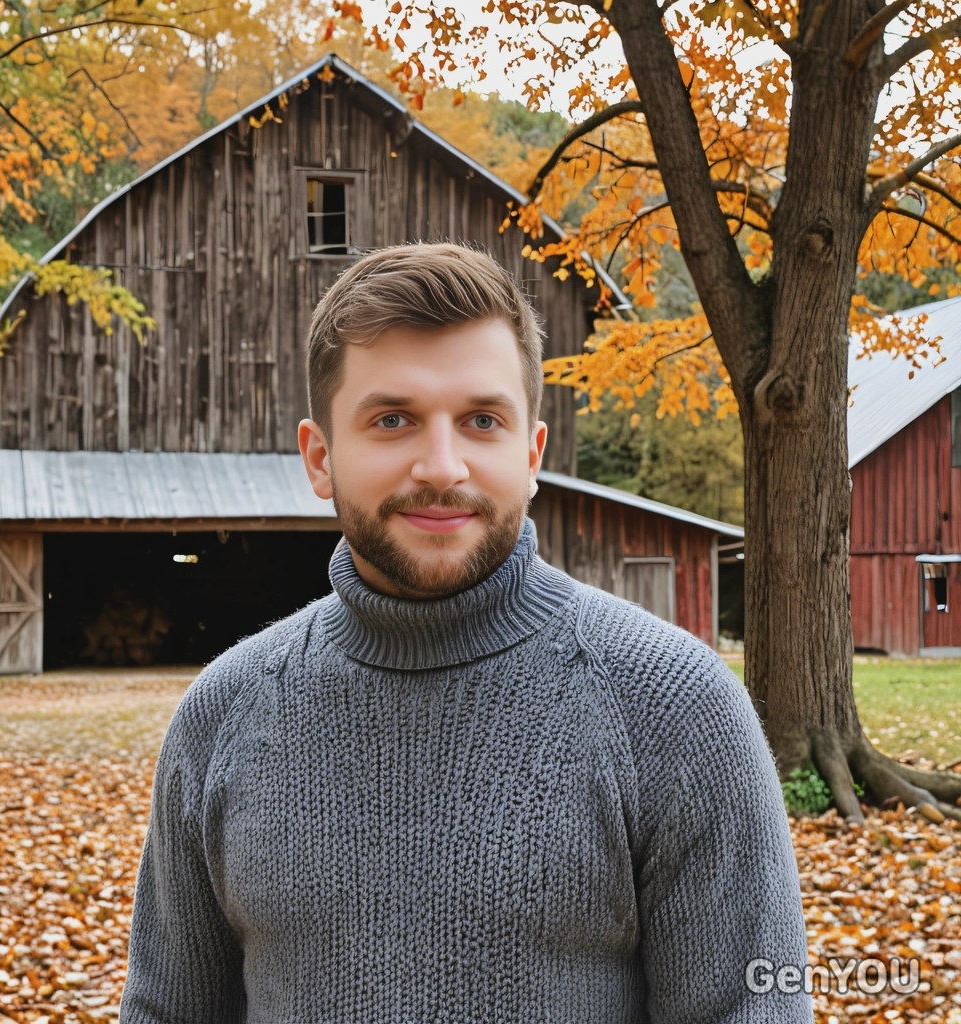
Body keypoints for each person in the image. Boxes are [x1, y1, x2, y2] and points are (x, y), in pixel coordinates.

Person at [119, 242, 813, 1023]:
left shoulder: (678, 709)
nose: (442, 465)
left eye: (482, 420)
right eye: (392, 420)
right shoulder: (222, 715)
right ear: (321, 457)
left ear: (531, 453)